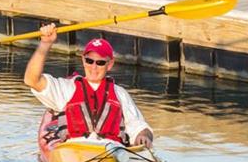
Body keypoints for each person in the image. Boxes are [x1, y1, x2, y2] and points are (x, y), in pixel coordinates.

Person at [24, 24, 152, 149]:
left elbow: (139, 127)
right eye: (89, 61)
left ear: (110, 64)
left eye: (100, 62)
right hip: (74, 148)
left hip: (111, 150)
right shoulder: (67, 88)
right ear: (83, 60)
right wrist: (45, 44)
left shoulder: (120, 94)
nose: (93, 67)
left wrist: (144, 136)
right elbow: (32, 80)